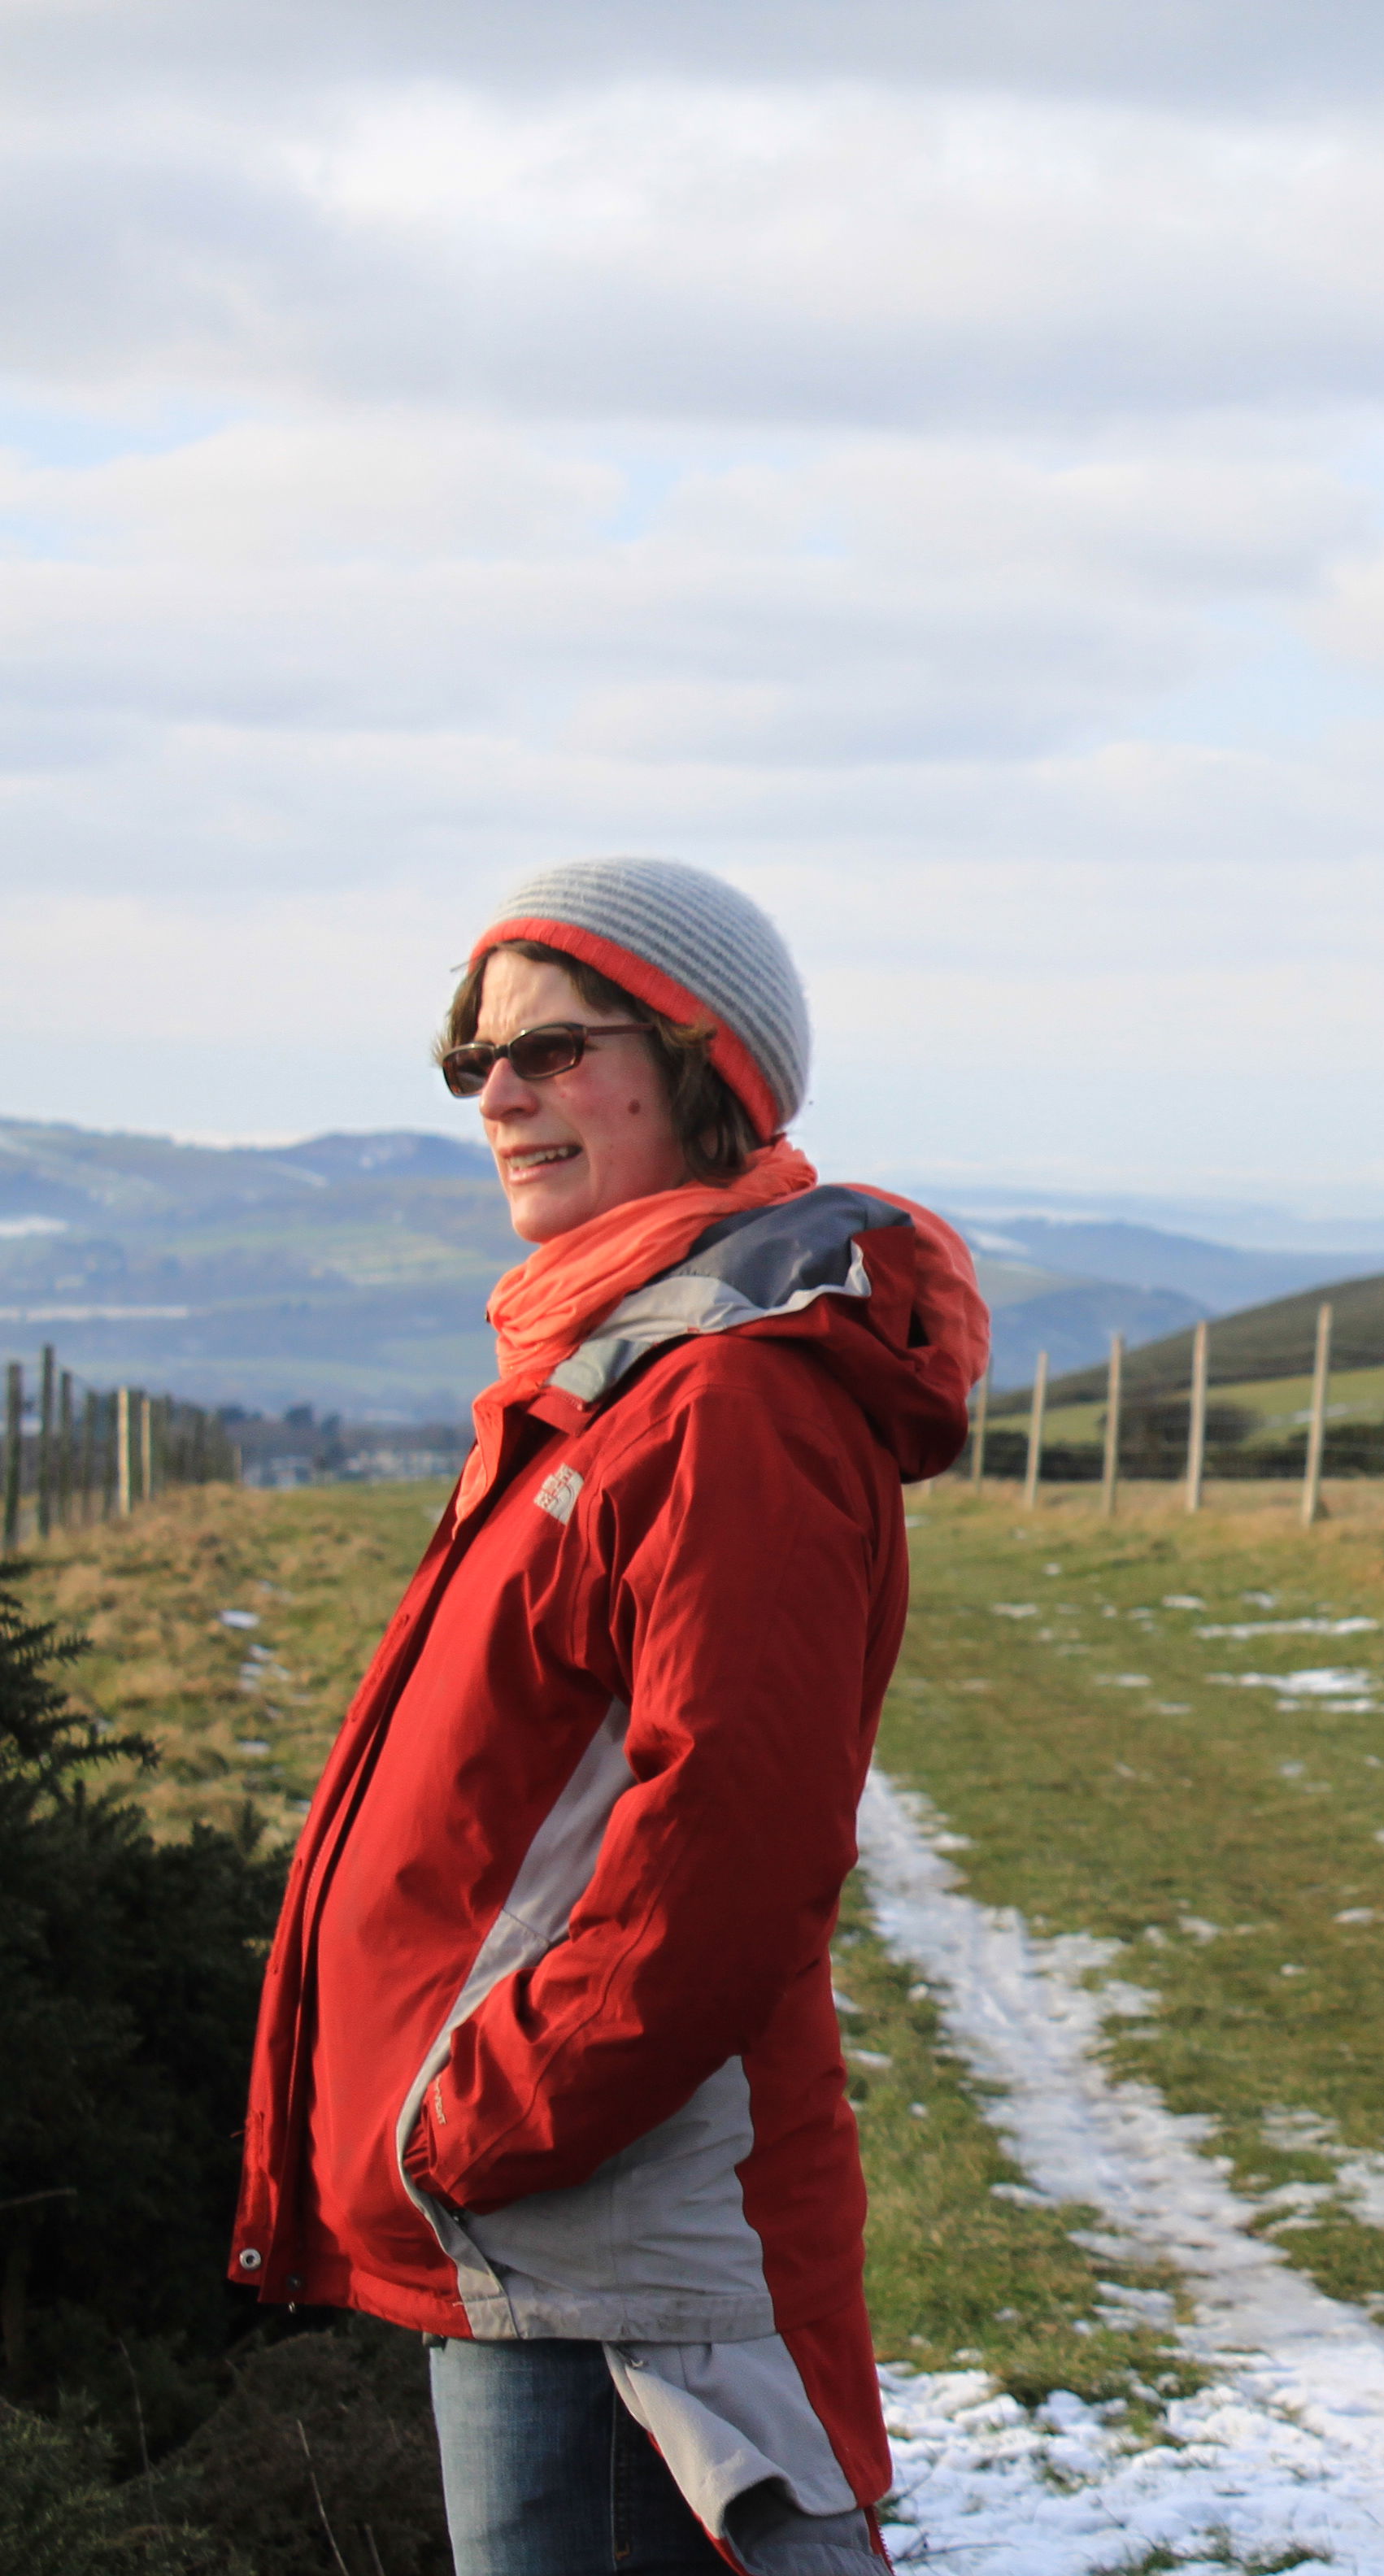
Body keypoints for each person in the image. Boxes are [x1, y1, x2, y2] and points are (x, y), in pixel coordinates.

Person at [230, 858, 987, 2574]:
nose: (498, 1095)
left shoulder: (730, 1400)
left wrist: (485, 2117)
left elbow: (737, 1832)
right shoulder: (611, 1373)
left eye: (554, 1050)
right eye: (474, 1059)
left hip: (624, 2255)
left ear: (703, 1066)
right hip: (548, 2232)